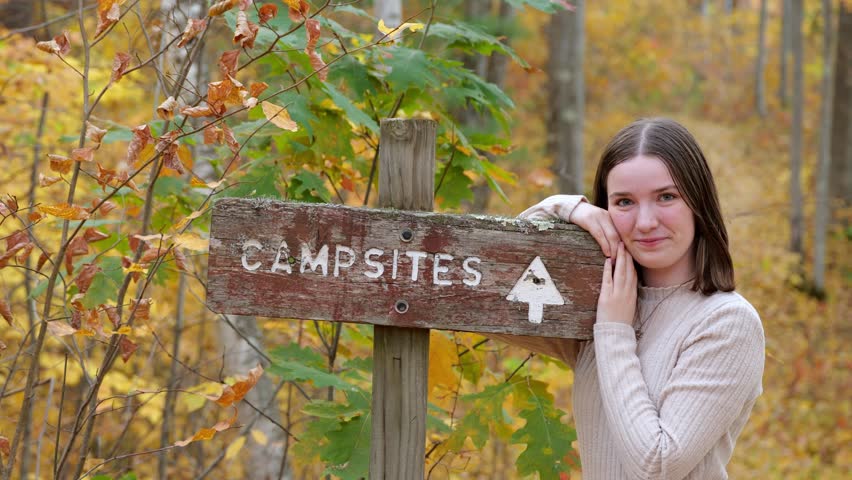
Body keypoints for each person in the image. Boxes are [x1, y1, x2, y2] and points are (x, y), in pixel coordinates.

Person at [491, 117, 765, 479]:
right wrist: (565, 208)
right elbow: (493, 295)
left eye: (666, 197)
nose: (646, 222)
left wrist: (614, 332)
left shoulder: (727, 322)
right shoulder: (597, 305)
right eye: (624, 202)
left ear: (697, 202)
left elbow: (657, 465)